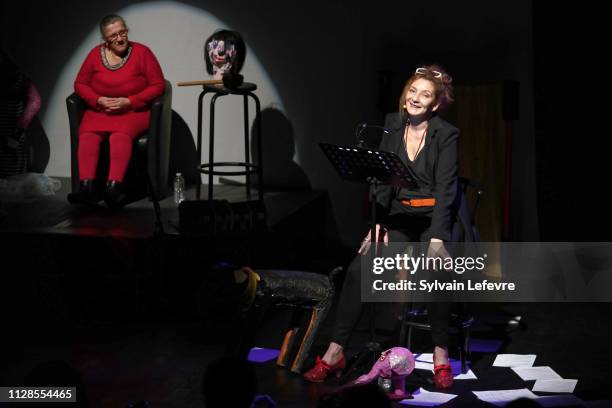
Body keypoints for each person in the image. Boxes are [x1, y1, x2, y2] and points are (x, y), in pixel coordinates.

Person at [303, 65, 459, 390]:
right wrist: (377, 225)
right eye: (412, 92)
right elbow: (382, 183)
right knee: (360, 268)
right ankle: (335, 353)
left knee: (437, 271)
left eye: (425, 95)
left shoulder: (446, 134)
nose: (416, 99)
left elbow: (447, 192)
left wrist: (437, 238)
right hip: (400, 219)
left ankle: (441, 354)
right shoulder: (391, 124)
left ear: (434, 104)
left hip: (434, 221)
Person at [73, 14, 164, 207]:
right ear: (105, 39)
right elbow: (80, 84)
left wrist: (130, 101)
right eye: (113, 35)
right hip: (100, 111)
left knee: (119, 136)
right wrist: (97, 100)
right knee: (88, 135)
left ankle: (113, 189)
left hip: (133, 112)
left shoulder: (142, 52)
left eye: (123, 32)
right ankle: (86, 188)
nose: (120, 38)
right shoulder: (94, 54)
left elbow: (158, 85)